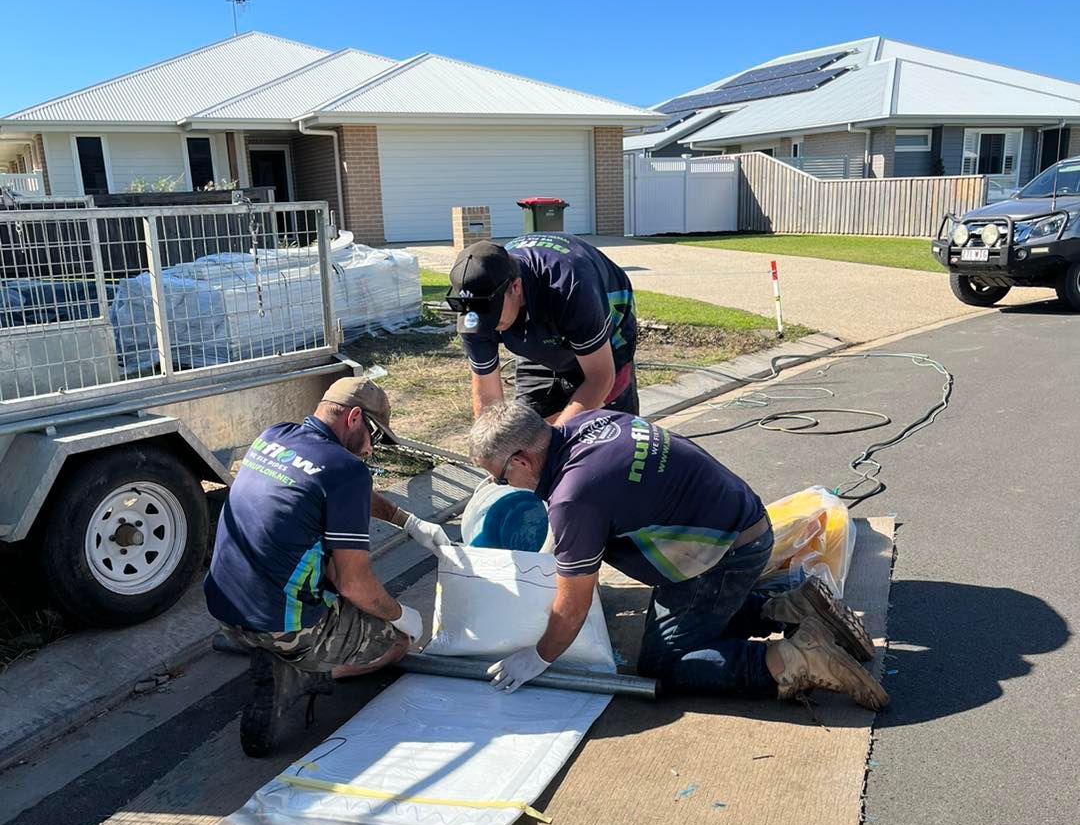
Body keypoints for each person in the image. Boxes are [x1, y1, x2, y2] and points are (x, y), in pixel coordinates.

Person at [467, 401, 887, 710]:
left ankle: (795, 658)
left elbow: (572, 607)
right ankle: (793, 606)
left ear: (522, 460)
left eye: (501, 478)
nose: (505, 486)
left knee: (664, 663)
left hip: (723, 556)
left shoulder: (573, 498)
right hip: (741, 524)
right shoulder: (589, 423)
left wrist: (538, 656)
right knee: (698, 616)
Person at [205, 377, 452, 757]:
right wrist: (401, 616)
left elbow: (339, 492)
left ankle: (282, 648)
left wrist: (407, 520)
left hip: (225, 612)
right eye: (374, 435)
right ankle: (300, 672)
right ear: (354, 418)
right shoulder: (346, 471)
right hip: (279, 626)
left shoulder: (274, 436)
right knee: (394, 642)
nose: (371, 449)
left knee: (327, 571)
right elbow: (354, 584)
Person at [448, 235, 638, 426]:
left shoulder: (570, 287)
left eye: (492, 314)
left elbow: (600, 377)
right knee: (522, 432)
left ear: (516, 286)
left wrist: (555, 436)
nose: (488, 325)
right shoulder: (472, 315)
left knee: (608, 431)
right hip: (540, 330)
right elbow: (489, 404)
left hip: (606, 335)